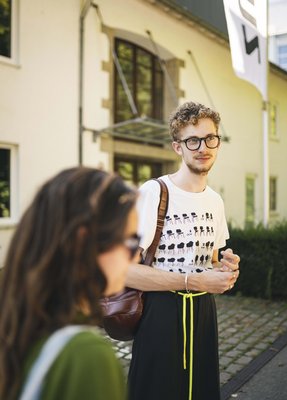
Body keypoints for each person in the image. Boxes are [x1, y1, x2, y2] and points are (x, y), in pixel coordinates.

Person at [127, 102, 240, 400]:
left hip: (203, 314)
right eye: (193, 140)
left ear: (217, 142)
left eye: (210, 138)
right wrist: (192, 281)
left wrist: (224, 269)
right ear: (178, 147)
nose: (203, 147)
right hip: (159, 313)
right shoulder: (153, 192)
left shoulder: (215, 200)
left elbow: (211, 262)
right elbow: (123, 270)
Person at [0, 167, 139, 400]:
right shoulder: (86, 355)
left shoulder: (15, 323)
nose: (135, 257)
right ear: (83, 243)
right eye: (130, 240)